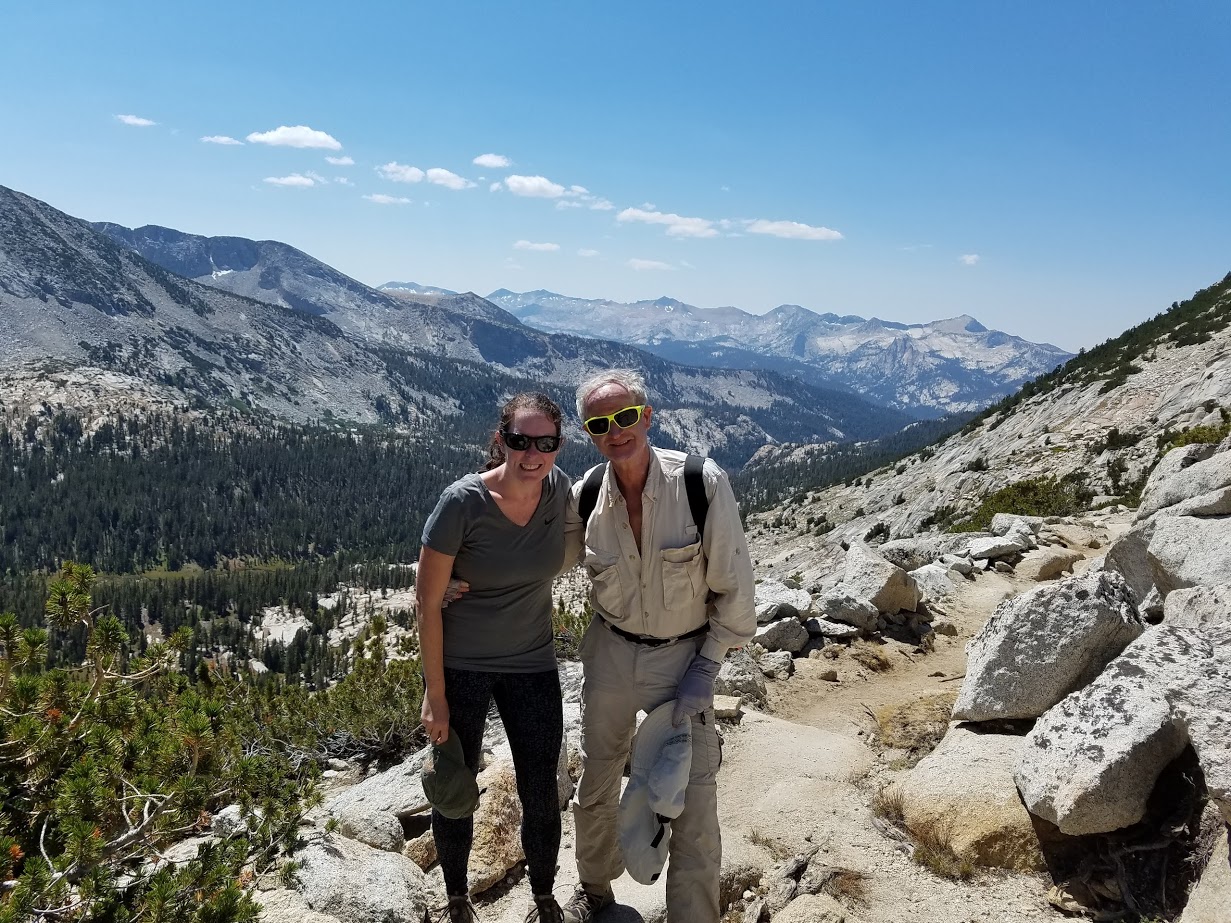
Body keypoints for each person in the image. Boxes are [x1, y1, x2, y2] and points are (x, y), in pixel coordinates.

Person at [560, 369, 756, 923]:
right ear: (590, 433)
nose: (616, 431)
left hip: (683, 657)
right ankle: (596, 893)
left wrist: (707, 667)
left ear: (647, 417)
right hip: (611, 654)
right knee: (597, 780)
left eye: (626, 416)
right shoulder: (587, 496)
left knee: (692, 797)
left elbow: (735, 590)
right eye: (601, 423)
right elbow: (545, 560)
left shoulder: (699, 483)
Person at [416, 392, 570, 923]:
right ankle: (457, 896)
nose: (533, 454)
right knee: (455, 786)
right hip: (462, 664)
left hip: (533, 662)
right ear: (501, 440)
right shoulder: (462, 502)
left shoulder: (559, 491)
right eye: (521, 441)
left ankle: (545, 895)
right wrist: (434, 696)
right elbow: (426, 601)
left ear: (558, 445)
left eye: (545, 443)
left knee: (540, 787)